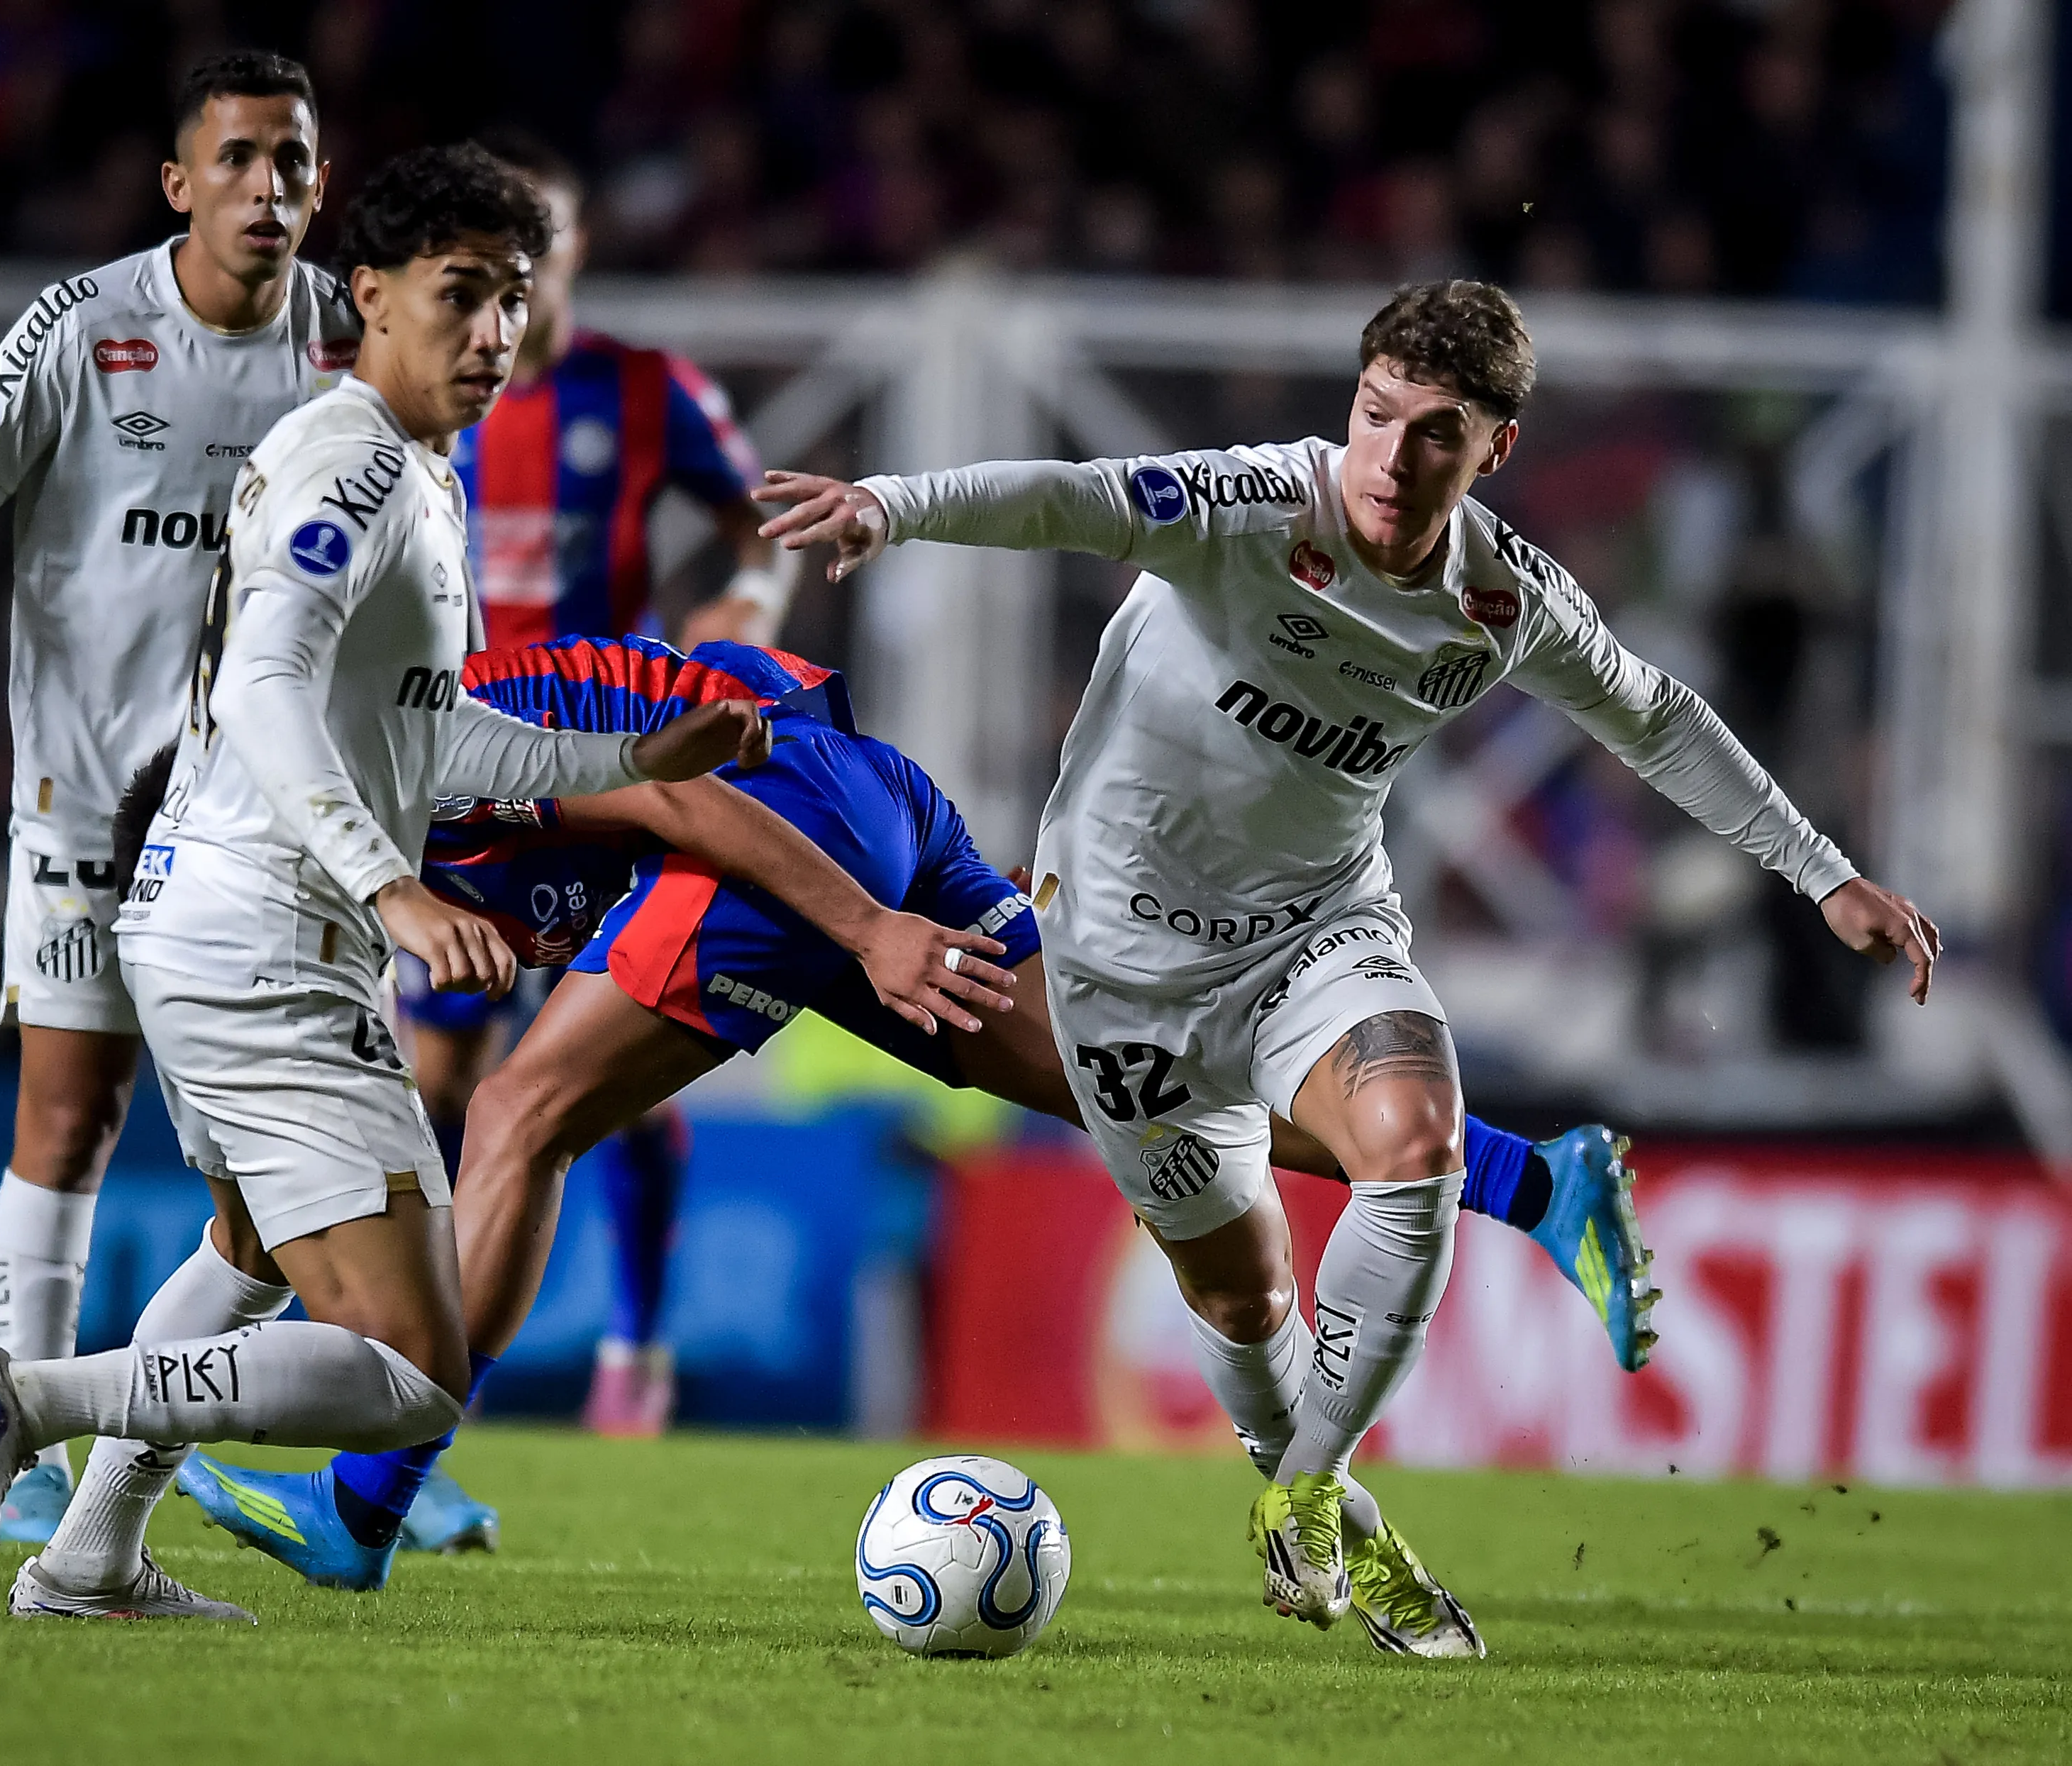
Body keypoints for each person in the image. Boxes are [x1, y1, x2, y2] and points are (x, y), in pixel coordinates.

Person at [753, 279, 1939, 1653]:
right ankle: (1349, 1524)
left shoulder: (1502, 597)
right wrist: (892, 505)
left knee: (1414, 1143)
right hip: (1118, 972)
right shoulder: (1256, 505)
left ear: (1493, 448)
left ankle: (1311, 1491)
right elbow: (1072, 498)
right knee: (1243, 1301)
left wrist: (1823, 874)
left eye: (1437, 433)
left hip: (1316, 931)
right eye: (1376, 416)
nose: (1392, 457)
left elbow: (1654, 716)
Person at [175, 633, 1653, 1655]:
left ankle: (364, 1508)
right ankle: (1532, 1178)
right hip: (866, 794)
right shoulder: (337, 818)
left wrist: (871, 928)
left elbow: (676, 791)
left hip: (785, 820)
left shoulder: (411, 744)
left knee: (522, 1119)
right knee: (1134, 1089)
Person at [0, 144, 814, 1616]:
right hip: (271, 938)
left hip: (211, 920)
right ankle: (23, 1397)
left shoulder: (413, 471)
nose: (493, 332)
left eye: (512, 297)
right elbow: (265, 687)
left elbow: (429, 732)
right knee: (412, 1369)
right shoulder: (359, 464)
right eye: (459, 294)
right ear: (372, 296)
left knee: (250, 1248)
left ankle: (88, 1561)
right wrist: (395, 892)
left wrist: (635, 758)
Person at [0, 50, 360, 1545]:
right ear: (179, 183)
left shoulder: (348, 338)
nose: (267, 186)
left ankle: (92, 1450)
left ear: (321, 183)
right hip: (86, 802)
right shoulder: (82, 327)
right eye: (239, 158)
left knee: (266, 1186)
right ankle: (18, 1456)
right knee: (70, 1117)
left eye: (292, 160)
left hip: (260, 818)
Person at [399, 134, 802, 1494]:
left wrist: (749, 604)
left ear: (573, 249)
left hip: (613, 771)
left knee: (609, 1066)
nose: (527, 269)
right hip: (461, 783)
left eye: (547, 239)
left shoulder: (646, 390)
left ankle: (634, 1348)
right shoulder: (418, 397)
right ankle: (406, 1369)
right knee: (437, 1080)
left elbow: (756, 525)